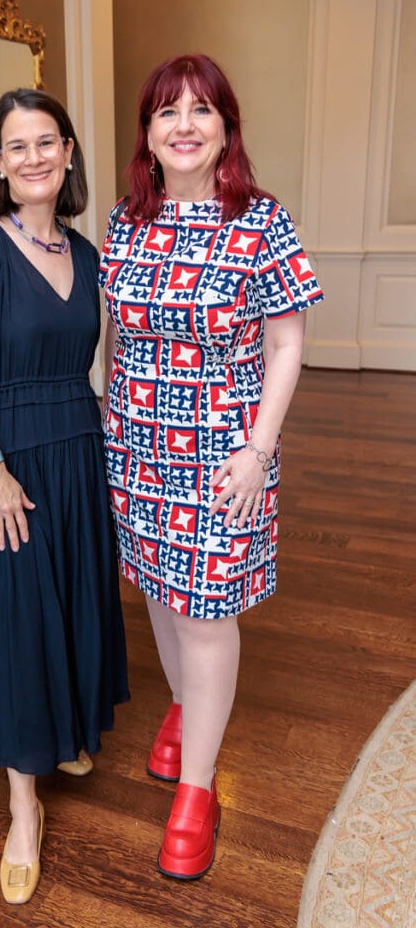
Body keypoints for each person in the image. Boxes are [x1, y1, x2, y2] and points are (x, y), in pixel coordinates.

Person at [99, 54, 323, 881]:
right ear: (147, 136)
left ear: (225, 129)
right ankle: (188, 707)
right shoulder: (125, 221)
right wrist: (108, 419)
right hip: (135, 446)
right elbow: (117, 337)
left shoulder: (260, 222)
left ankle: (197, 787)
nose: (183, 124)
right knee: (157, 590)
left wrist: (258, 450)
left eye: (201, 110)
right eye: (166, 112)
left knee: (205, 611)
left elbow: (287, 342)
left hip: (222, 452)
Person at [0, 88, 129, 905]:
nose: (34, 157)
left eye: (47, 141)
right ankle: (23, 811)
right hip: (1, 461)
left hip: (75, 452)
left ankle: (68, 734)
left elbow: (102, 367)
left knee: (72, 603)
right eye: (15, 146)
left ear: (70, 152)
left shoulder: (87, 256)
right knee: (16, 620)